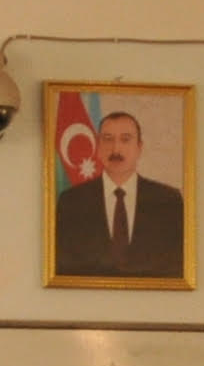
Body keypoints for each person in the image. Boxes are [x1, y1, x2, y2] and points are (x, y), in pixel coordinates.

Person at [51, 111, 185, 281]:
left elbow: (175, 269)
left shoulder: (168, 201)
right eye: (108, 139)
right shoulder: (71, 202)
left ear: (139, 147)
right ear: (98, 147)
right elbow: (64, 269)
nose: (116, 149)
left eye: (125, 139)